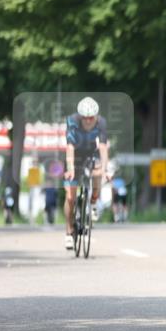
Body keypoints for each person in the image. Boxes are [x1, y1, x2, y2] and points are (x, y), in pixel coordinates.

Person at [63, 96, 110, 248]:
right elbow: (69, 147)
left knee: (97, 173)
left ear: (96, 116)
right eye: (85, 118)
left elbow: (102, 146)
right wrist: (70, 169)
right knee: (70, 196)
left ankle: (94, 201)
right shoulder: (72, 121)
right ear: (80, 116)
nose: (89, 121)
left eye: (91, 118)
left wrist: (105, 169)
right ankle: (69, 231)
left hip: (91, 153)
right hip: (75, 155)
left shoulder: (101, 123)